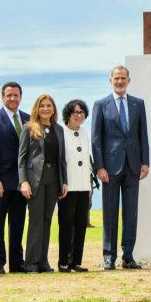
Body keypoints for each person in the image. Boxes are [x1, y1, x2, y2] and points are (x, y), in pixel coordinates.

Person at [92, 65, 150, 270]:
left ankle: (128, 255)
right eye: (116, 78)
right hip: (109, 168)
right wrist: (99, 166)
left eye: (123, 78)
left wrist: (145, 162)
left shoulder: (138, 104)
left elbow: (143, 135)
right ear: (110, 81)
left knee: (130, 213)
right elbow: (96, 139)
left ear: (129, 80)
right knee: (109, 213)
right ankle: (109, 257)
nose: (119, 81)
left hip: (133, 166)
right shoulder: (100, 105)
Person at [0, 81, 29, 274]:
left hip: (21, 182)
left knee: (18, 223)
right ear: (3, 97)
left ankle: (17, 263)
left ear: (20, 97)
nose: (13, 98)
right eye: (9, 95)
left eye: (16, 95)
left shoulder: (28, 119)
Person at [19, 94, 68, 273]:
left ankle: (43, 262)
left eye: (49, 105)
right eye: (42, 106)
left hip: (54, 178)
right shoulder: (29, 128)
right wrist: (23, 181)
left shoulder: (59, 129)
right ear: (37, 109)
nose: (45, 109)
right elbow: (22, 158)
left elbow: (62, 158)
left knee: (47, 220)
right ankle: (31, 263)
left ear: (53, 109)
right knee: (35, 221)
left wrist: (64, 182)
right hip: (34, 180)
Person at [58, 99, 93, 272]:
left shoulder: (85, 132)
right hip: (67, 186)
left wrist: (89, 186)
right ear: (68, 114)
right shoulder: (60, 131)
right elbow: (59, 161)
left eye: (82, 112)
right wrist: (61, 183)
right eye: (75, 112)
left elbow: (87, 161)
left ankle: (76, 261)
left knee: (81, 223)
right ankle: (64, 261)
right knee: (66, 223)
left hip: (83, 185)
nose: (79, 115)